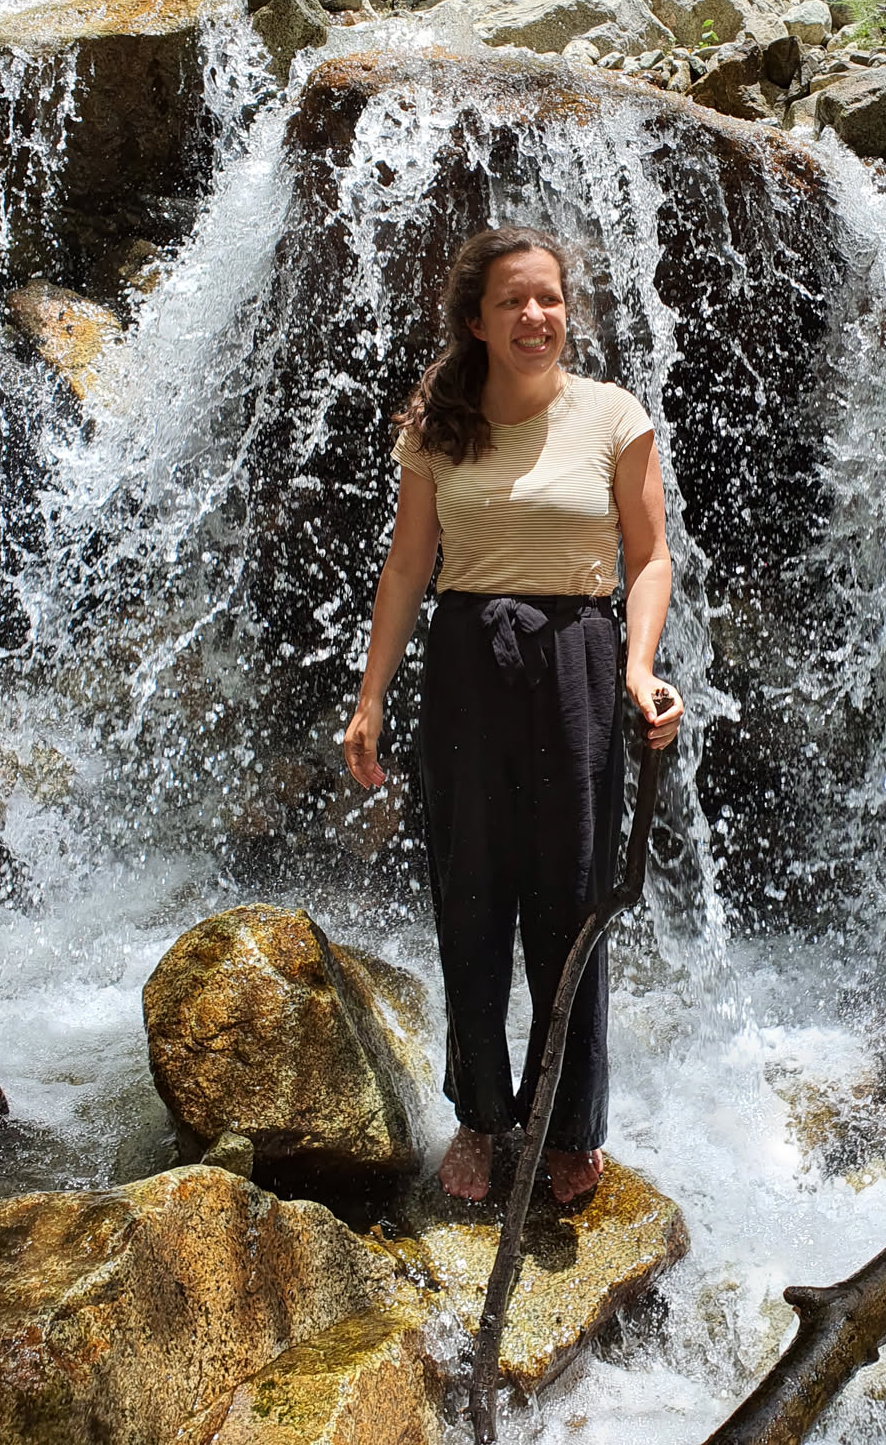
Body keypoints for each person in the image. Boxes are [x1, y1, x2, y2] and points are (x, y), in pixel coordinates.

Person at [343, 225, 683, 1205]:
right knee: (473, 895)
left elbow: (649, 558)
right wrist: (371, 697)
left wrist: (640, 668)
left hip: (579, 660)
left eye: (549, 299)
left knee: (573, 899)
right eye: (512, 302)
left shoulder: (613, 415)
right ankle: (483, 1117)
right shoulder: (438, 427)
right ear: (478, 322)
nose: (536, 316)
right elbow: (408, 566)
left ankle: (571, 1124)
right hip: (466, 662)